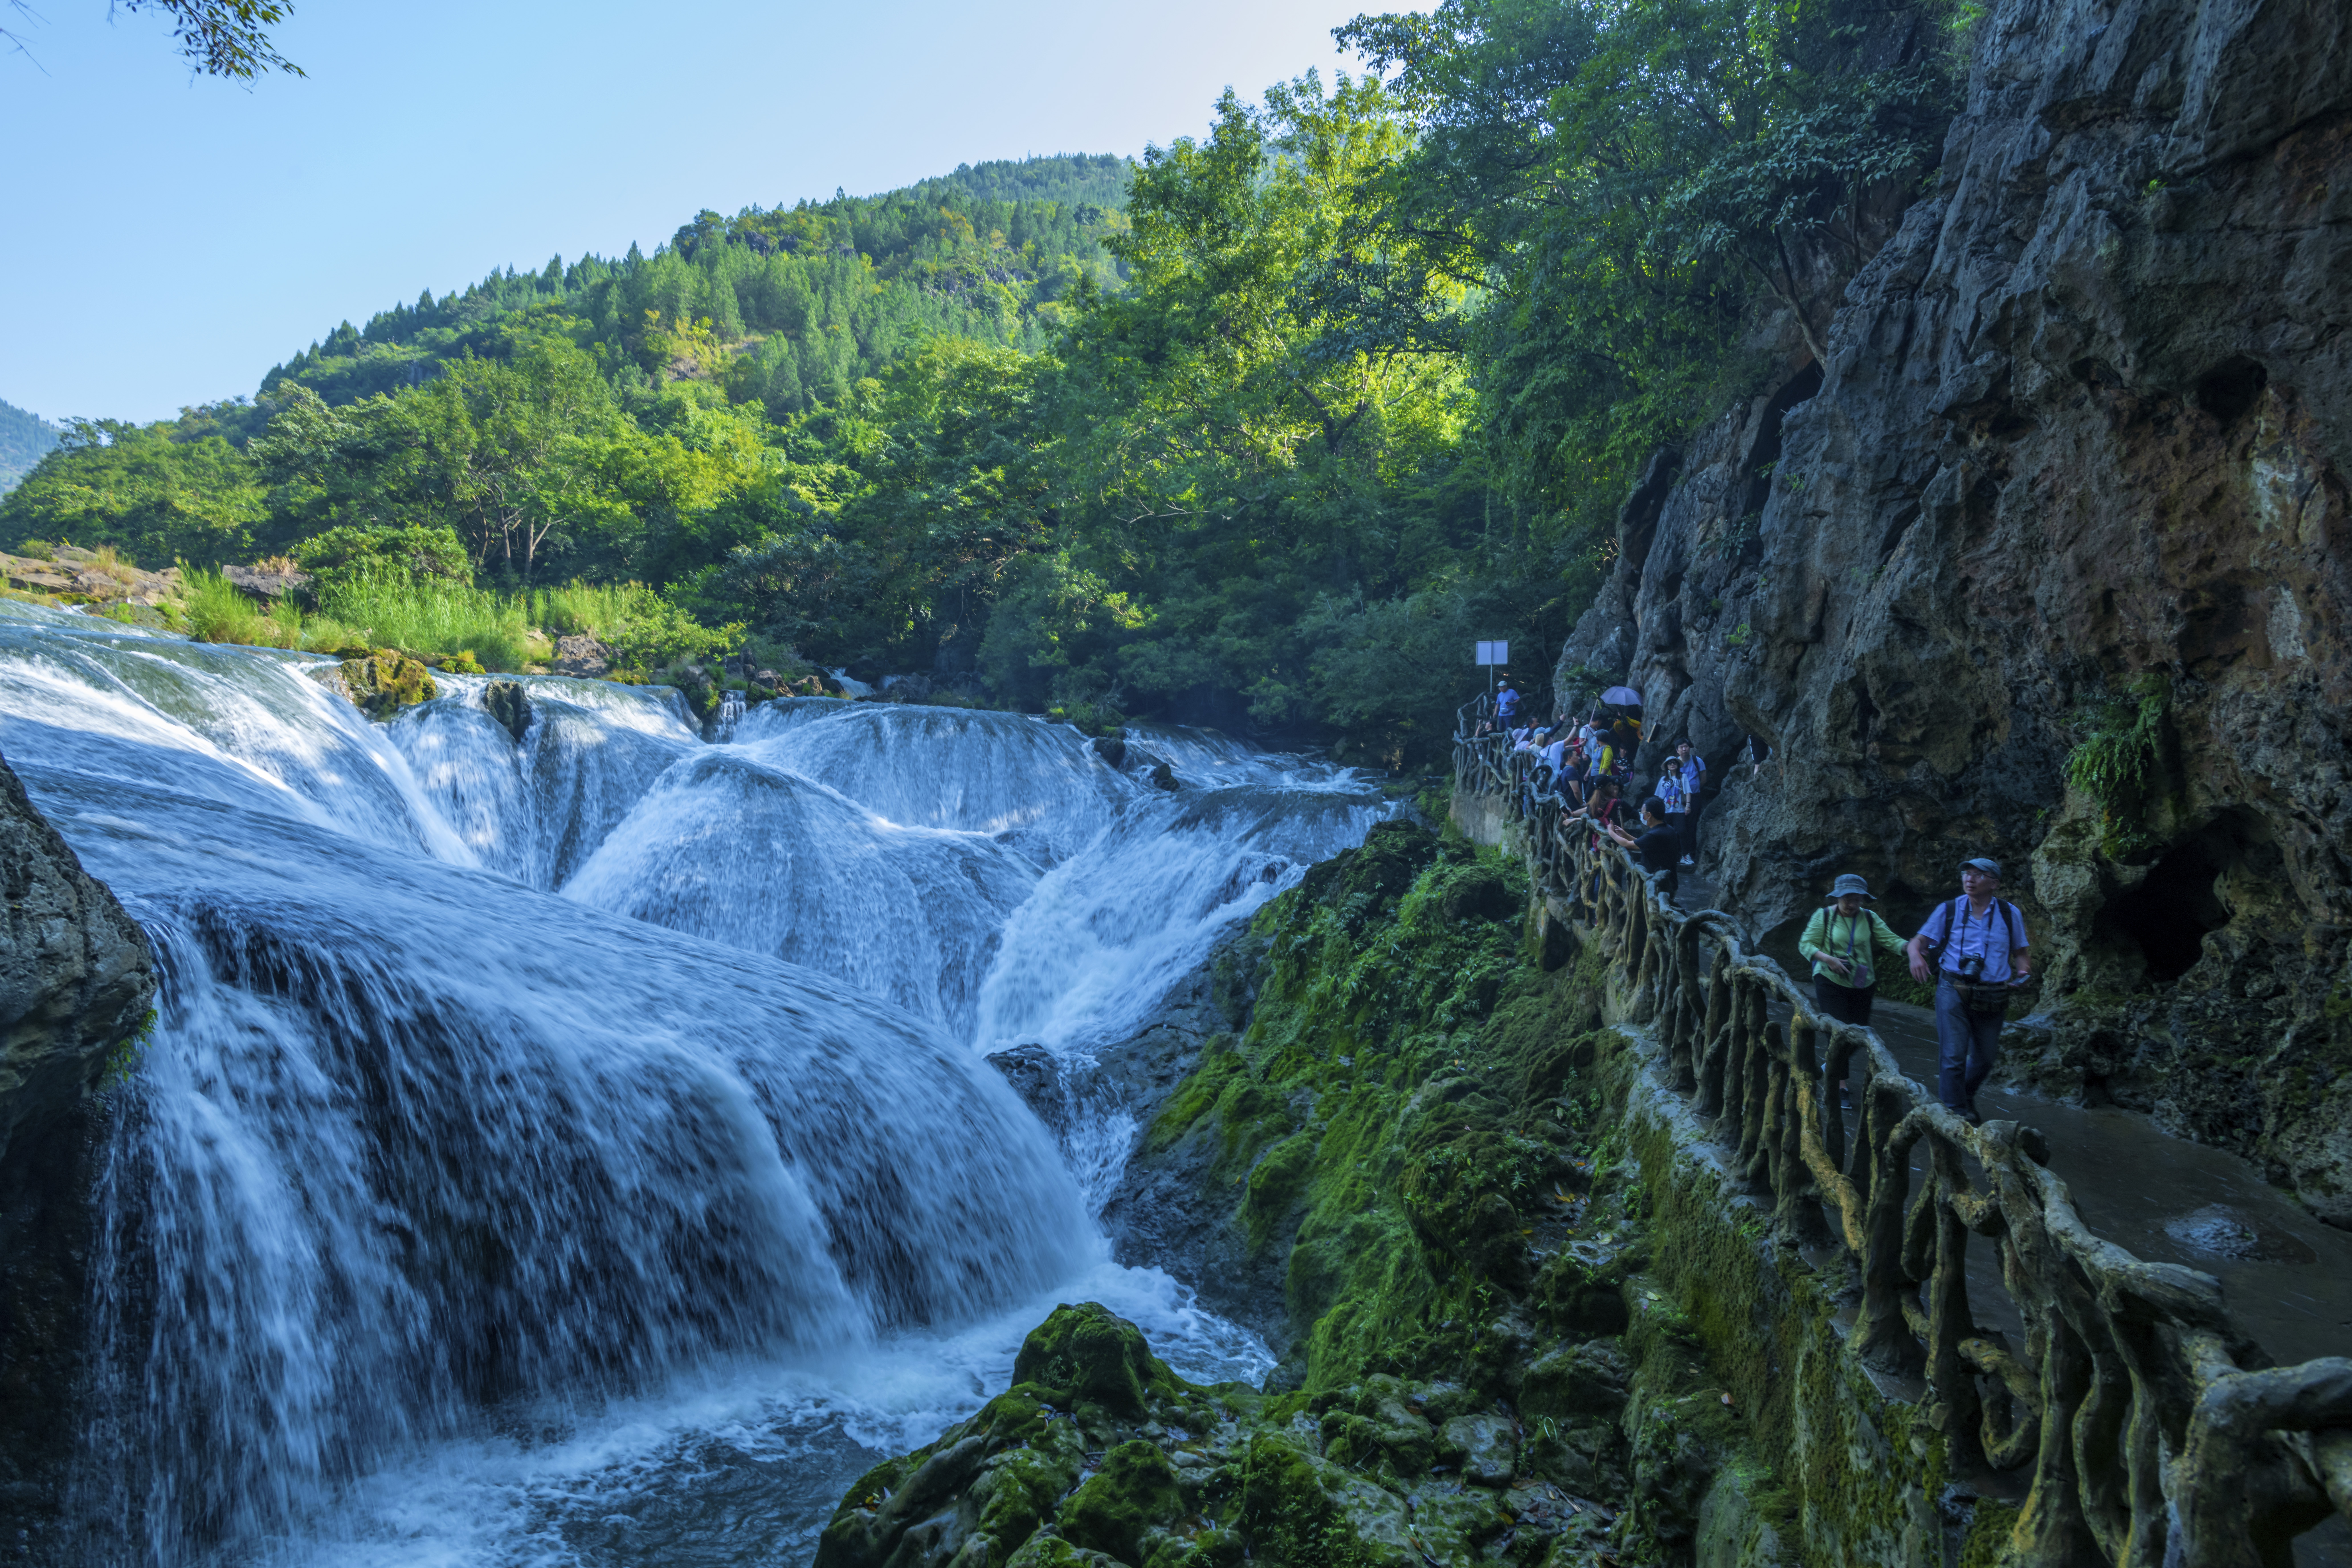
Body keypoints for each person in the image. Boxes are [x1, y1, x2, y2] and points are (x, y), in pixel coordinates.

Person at [1906, 857, 2032, 1122]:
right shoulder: (1949, 909)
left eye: (1978, 875)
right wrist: (1915, 956)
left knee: (1985, 1059)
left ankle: (1964, 1095)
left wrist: (2023, 974)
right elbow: (1917, 942)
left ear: (1994, 883)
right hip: (1954, 987)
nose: (1969, 879)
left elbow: (2022, 953)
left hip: (1994, 993)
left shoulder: (2010, 914)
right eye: (1966, 874)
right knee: (1953, 1054)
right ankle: (1955, 1114)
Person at [1799, 875, 1909, 1026]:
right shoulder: (1824, 915)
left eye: (1857, 900)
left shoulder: (1870, 917)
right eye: (1847, 900)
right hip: (1830, 978)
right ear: (1838, 897)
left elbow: (1892, 940)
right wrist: (1829, 960)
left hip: (1862, 982)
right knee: (1837, 1030)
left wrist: (1912, 948)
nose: (1852, 905)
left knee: (1859, 1033)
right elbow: (1806, 944)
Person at [1606, 795, 1681, 897]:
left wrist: (1611, 832)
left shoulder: (1656, 834)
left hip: (1660, 887)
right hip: (1668, 883)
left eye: (1643, 813)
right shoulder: (1667, 829)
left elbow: (1627, 845)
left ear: (1649, 815)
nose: (1641, 815)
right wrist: (1626, 835)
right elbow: (1642, 844)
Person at [1675, 741, 1706, 865]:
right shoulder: (1674, 763)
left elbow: (1704, 779)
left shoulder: (1697, 761)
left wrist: (1694, 789)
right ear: (1677, 750)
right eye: (1681, 747)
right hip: (1678, 799)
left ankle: (1691, 853)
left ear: (1690, 748)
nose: (1684, 749)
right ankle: (1680, 853)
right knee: (1680, 827)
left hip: (1695, 798)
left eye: (1686, 747)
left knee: (1692, 826)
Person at [1655, 757, 1689, 858]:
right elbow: (1659, 796)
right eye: (1670, 763)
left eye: (1675, 763)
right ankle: (1666, 854)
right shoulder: (1663, 780)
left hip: (1680, 810)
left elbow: (1688, 792)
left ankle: (1685, 855)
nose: (1672, 764)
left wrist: (1688, 805)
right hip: (1666, 811)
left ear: (1678, 765)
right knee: (1665, 833)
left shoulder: (1683, 777)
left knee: (1682, 831)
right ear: (1667, 766)